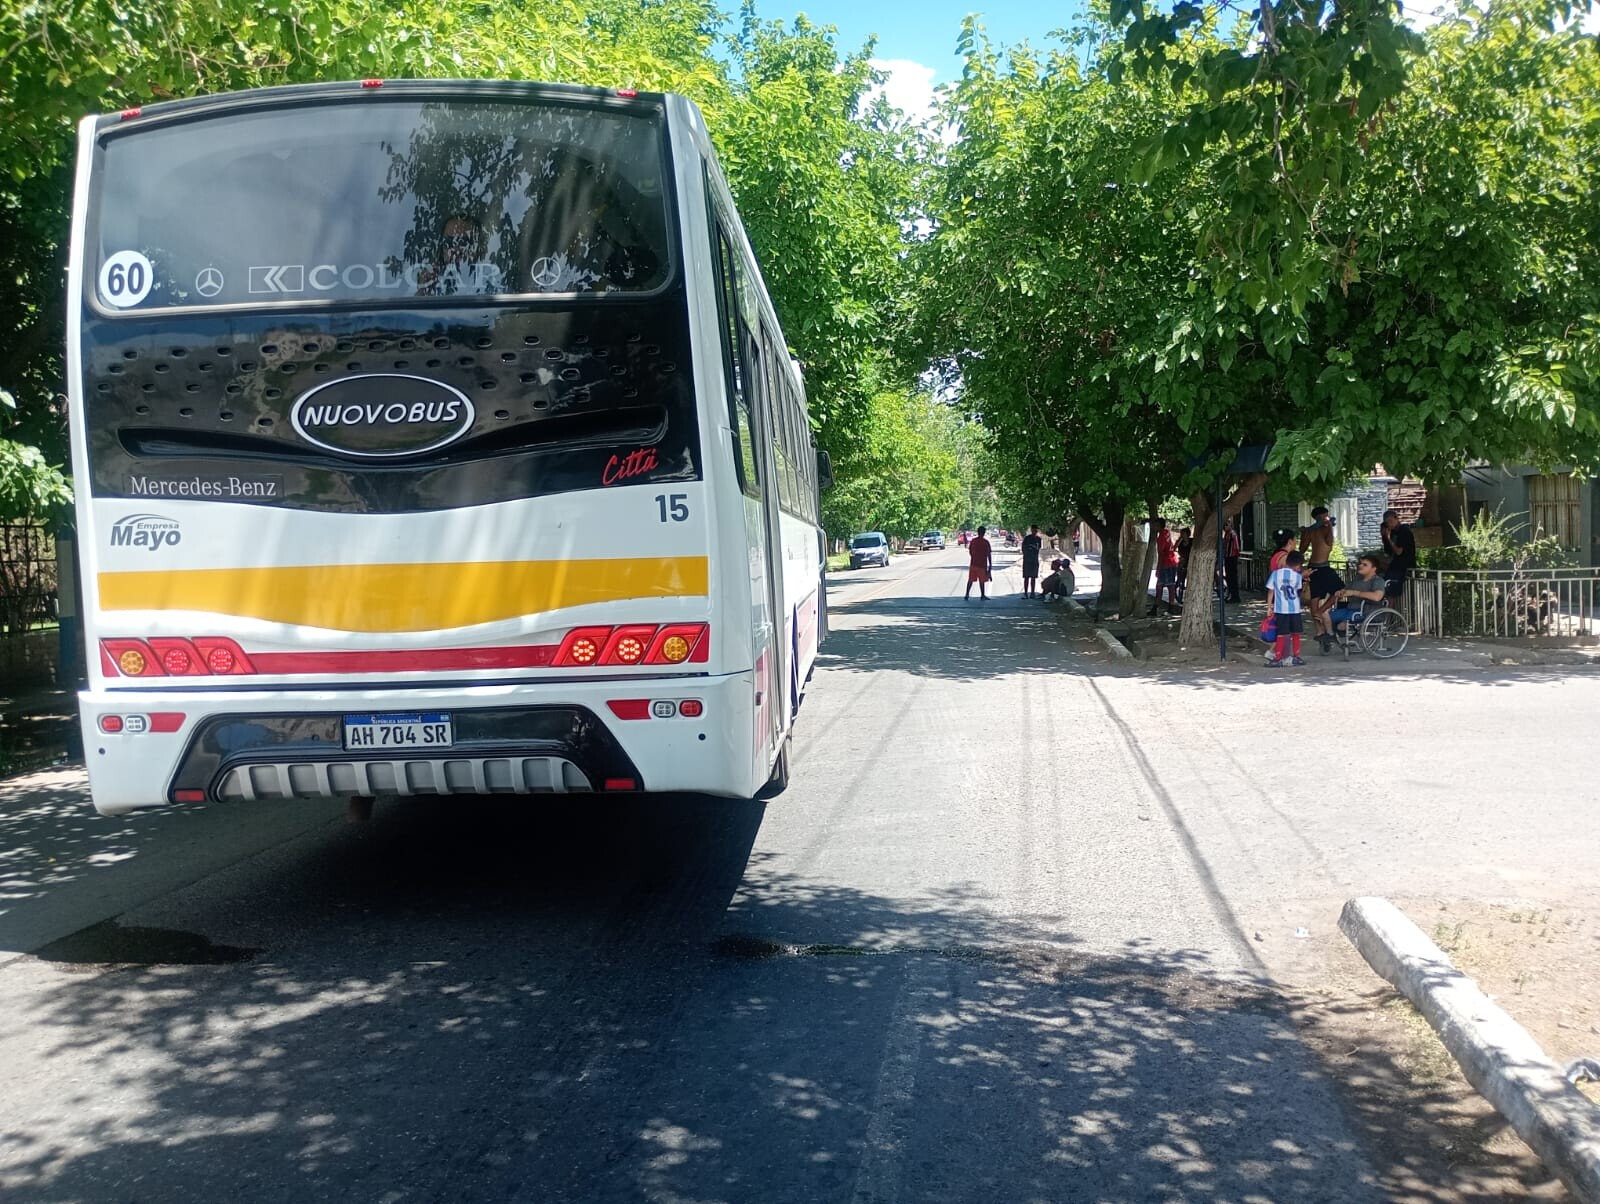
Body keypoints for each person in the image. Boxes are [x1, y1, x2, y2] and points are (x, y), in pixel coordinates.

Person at [1325, 554, 1392, 652]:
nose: (1360, 566)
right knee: (1324, 615)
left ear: (1374, 568)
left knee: (1341, 625)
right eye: (1360, 564)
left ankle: (1340, 632)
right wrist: (1340, 592)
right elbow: (1345, 590)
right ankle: (1330, 636)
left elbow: (1377, 597)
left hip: (1366, 611)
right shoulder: (1357, 580)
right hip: (1350, 609)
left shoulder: (1378, 581)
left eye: (1365, 565)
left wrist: (1356, 593)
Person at [1300, 506, 1343, 641]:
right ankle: (1319, 628)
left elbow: (1302, 549)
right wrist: (1329, 527)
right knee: (1339, 590)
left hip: (1315, 567)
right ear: (1320, 517)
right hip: (1321, 567)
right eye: (1325, 516)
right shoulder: (1318, 530)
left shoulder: (1316, 529)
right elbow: (1329, 543)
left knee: (1316, 598)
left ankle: (1321, 628)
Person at [1265, 550, 1307, 666]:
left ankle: (1278, 658)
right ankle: (1297, 656)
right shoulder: (1297, 577)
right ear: (1298, 565)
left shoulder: (1275, 574)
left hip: (1281, 609)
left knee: (1281, 634)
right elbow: (1298, 591)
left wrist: (1269, 607)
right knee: (1296, 633)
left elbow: (1270, 591)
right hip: (1294, 609)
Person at [1151, 517, 1180, 615]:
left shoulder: (1161, 538)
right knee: (1165, 585)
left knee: (1166, 585)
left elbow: (1161, 554)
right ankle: (1158, 607)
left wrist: (1158, 568)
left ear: (1159, 525)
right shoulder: (1167, 533)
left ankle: (1166, 606)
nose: (1153, 527)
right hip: (1171, 562)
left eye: (1155, 525)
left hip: (1166, 563)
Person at [1381, 508, 1416, 592]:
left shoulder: (1404, 531)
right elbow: (1388, 552)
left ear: (1396, 518)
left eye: (1391, 520)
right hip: (1394, 567)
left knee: (1392, 591)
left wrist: (1389, 539)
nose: (1389, 524)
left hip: (1403, 567)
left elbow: (1398, 551)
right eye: (1387, 522)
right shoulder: (1392, 533)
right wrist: (1385, 537)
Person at [965, 525, 993, 600]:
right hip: (982, 565)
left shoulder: (973, 541)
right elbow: (989, 554)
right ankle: (982, 595)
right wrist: (990, 566)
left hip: (973, 564)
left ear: (977, 532)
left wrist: (974, 557)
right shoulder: (986, 542)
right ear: (984, 533)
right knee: (982, 580)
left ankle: (967, 594)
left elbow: (970, 552)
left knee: (970, 580)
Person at [1222, 516, 1242, 603]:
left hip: (1232, 557)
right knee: (1229, 577)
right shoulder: (1227, 534)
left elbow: (1236, 546)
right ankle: (1232, 595)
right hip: (1228, 557)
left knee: (1232, 577)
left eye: (1227, 525)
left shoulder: (1232, 534)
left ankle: (1235, 596)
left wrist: (1236, 556)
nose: (1225, 527)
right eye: (1224, 526)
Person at [1020, 525, 1043, 596]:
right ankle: (1026, 592)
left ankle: (1032, 592)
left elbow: (1038, 548)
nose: (1034, 532)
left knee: (1033, 577)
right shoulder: (1027, 538)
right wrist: (1026, 554)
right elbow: (1023, 548)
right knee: (1026, 577)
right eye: (1033, 530)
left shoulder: (1038, 539)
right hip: (1027, 560)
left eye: (1036, 530)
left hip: (1034, 559)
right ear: (1031, 530)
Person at [1176, 527, 1194, 603]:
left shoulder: (1192, 541)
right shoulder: (1180, 542)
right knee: (1181, 577)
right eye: (1181, 534)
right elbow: (1175, 548)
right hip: (1183, 561)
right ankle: (1180, 594)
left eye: (1183, 534)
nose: (1182, 535)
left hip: (1191, 561)